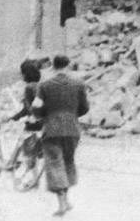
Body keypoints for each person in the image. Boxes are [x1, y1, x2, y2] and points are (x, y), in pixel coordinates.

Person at [33, 54, 89, 217]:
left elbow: (37, 108)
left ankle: (62, 202)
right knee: (68, 161)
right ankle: (67, 199)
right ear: (68, 65)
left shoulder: (44, 85)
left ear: (53, 67)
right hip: (72, 129)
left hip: (52, 129)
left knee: (55, 163)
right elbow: (85, 108)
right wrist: (72, 114)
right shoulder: (79, 84)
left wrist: (44, 115)